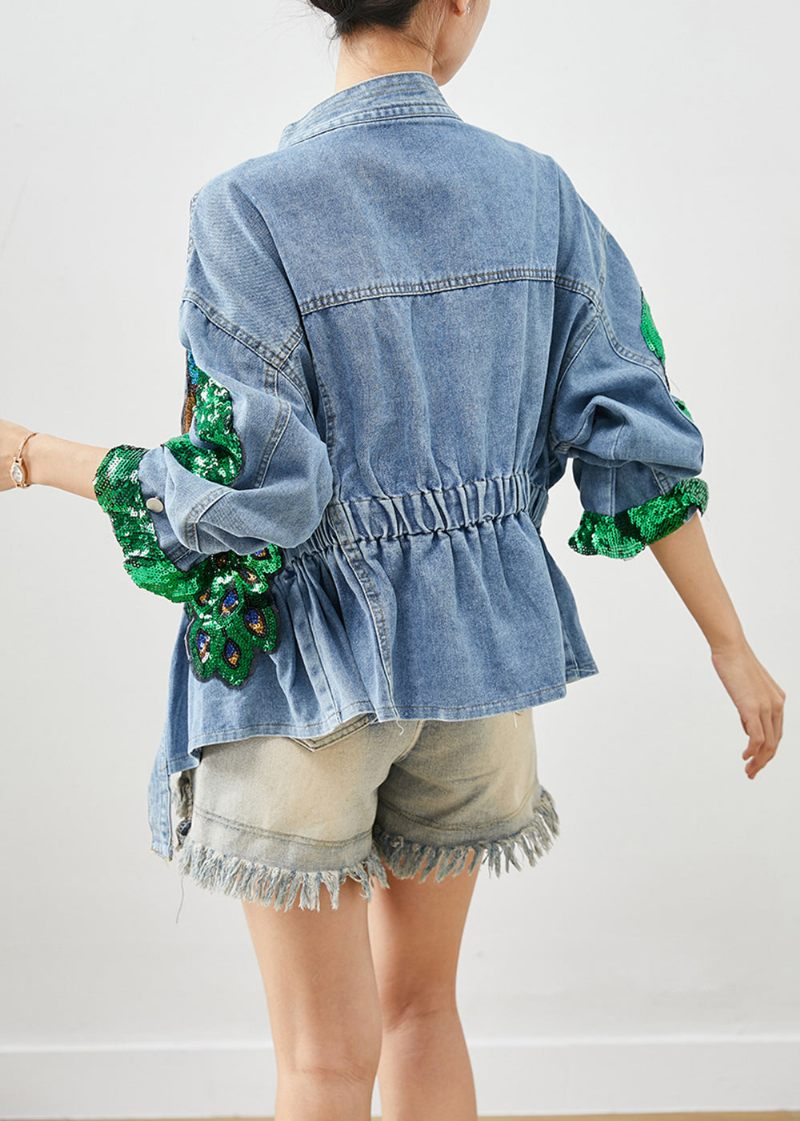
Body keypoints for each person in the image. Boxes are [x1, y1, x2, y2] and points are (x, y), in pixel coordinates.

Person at [1, 1, 786, 1119]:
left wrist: (34, 454)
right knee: (424, 1008)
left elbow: (251, 491)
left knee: (322, 1059)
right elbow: (635, 434)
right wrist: (730, 644)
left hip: (301, 683)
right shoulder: (537, 195)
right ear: (454, 2)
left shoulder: (246, 208)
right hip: (477, 669)